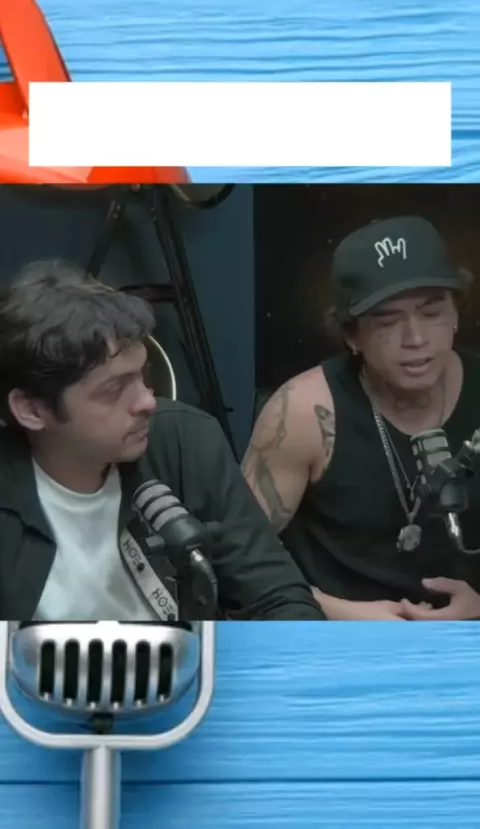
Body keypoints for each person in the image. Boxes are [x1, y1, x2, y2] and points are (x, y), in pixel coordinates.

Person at [0, 259, 325, 621]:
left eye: (143, 375)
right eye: (113, 389)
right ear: (32, 410)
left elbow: (278, 599)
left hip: (184, 657)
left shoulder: (185, 440)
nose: (147, 402)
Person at [242, 216, 480, 621]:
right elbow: (234, 559)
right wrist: (339, 612)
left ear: (456, 312)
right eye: (387, 321)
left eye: (432, 312)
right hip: (335, 636)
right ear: (352, 335)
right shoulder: (303, 411)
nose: (416, 338)